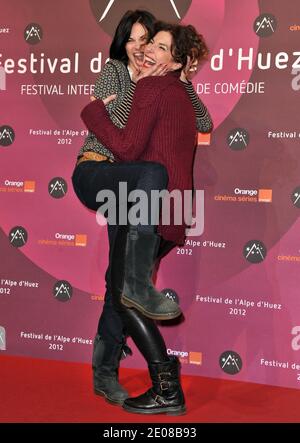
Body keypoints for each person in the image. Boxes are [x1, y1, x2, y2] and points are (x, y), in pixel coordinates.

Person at [80, 21, 213, 415]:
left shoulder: (156, 86)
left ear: (175, 60)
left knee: (125, 295)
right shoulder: (143, 82)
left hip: (145, 202)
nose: (146, 48)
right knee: (121, 288)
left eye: (154, 43)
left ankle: (165, 385)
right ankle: (116, 374)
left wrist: (91, 111)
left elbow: (126, 147)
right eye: (141, 41)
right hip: (164, 210)